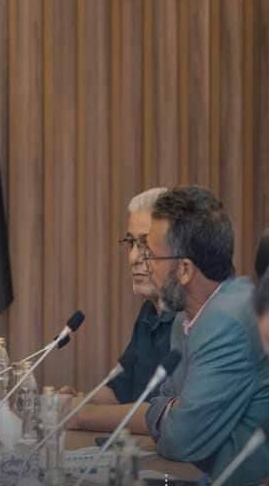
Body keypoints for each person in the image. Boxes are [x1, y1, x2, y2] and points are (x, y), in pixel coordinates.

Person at [139, 186, 269, 483]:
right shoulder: (185, 317)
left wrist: (175, 412)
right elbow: (160, 401)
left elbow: (181, 439)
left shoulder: (228, 321)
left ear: (185, 269)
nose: (147, 268)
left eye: (153, 257)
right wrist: (173, 409)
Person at [67, 188, 176, 433]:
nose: (134, 257)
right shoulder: (148, 312)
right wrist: (74, 401)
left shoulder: (189, 319)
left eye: (146, 244)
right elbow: (120, 391)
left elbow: (161, 414)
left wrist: (80, 414)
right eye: (131, 243)